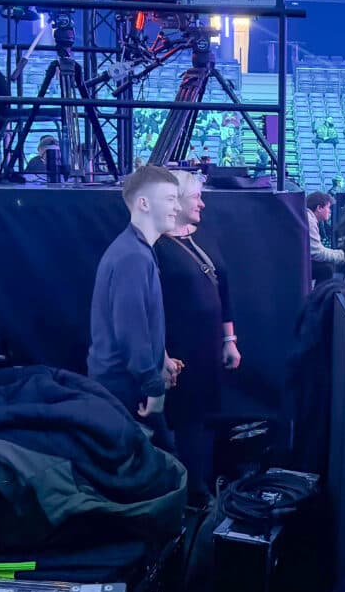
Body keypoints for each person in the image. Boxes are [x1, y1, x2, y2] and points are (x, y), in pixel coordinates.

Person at [155, 170, 241, 499]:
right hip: (180, 350)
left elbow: (224, 290)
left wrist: (229, 340)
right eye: (196, 198)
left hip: (209, 348)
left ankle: (201, 480)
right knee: (186, 420)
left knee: (204, 418)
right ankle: (192, 490)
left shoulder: (203, 235)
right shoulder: (157, 246)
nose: (202, 204)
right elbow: (151, 306)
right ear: (175, 201)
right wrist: (161, 356)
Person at [87, 165, 182, 452]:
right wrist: (153, 385)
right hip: (125, 389)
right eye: (170, 199)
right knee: (158, 465)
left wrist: (161, 358)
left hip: (126, 383)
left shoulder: (136, 250)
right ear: (144, 203)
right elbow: (131, 332)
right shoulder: (133, 257)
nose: (177, 208)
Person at [307, 192, 344, 283]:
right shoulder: (309, 221)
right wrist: (341, 255)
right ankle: (321, 292)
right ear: (319, 208)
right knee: (327, 268)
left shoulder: (308, 217)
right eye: (328, 207)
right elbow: (317, 253)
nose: (330, 211)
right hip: (294, 266)